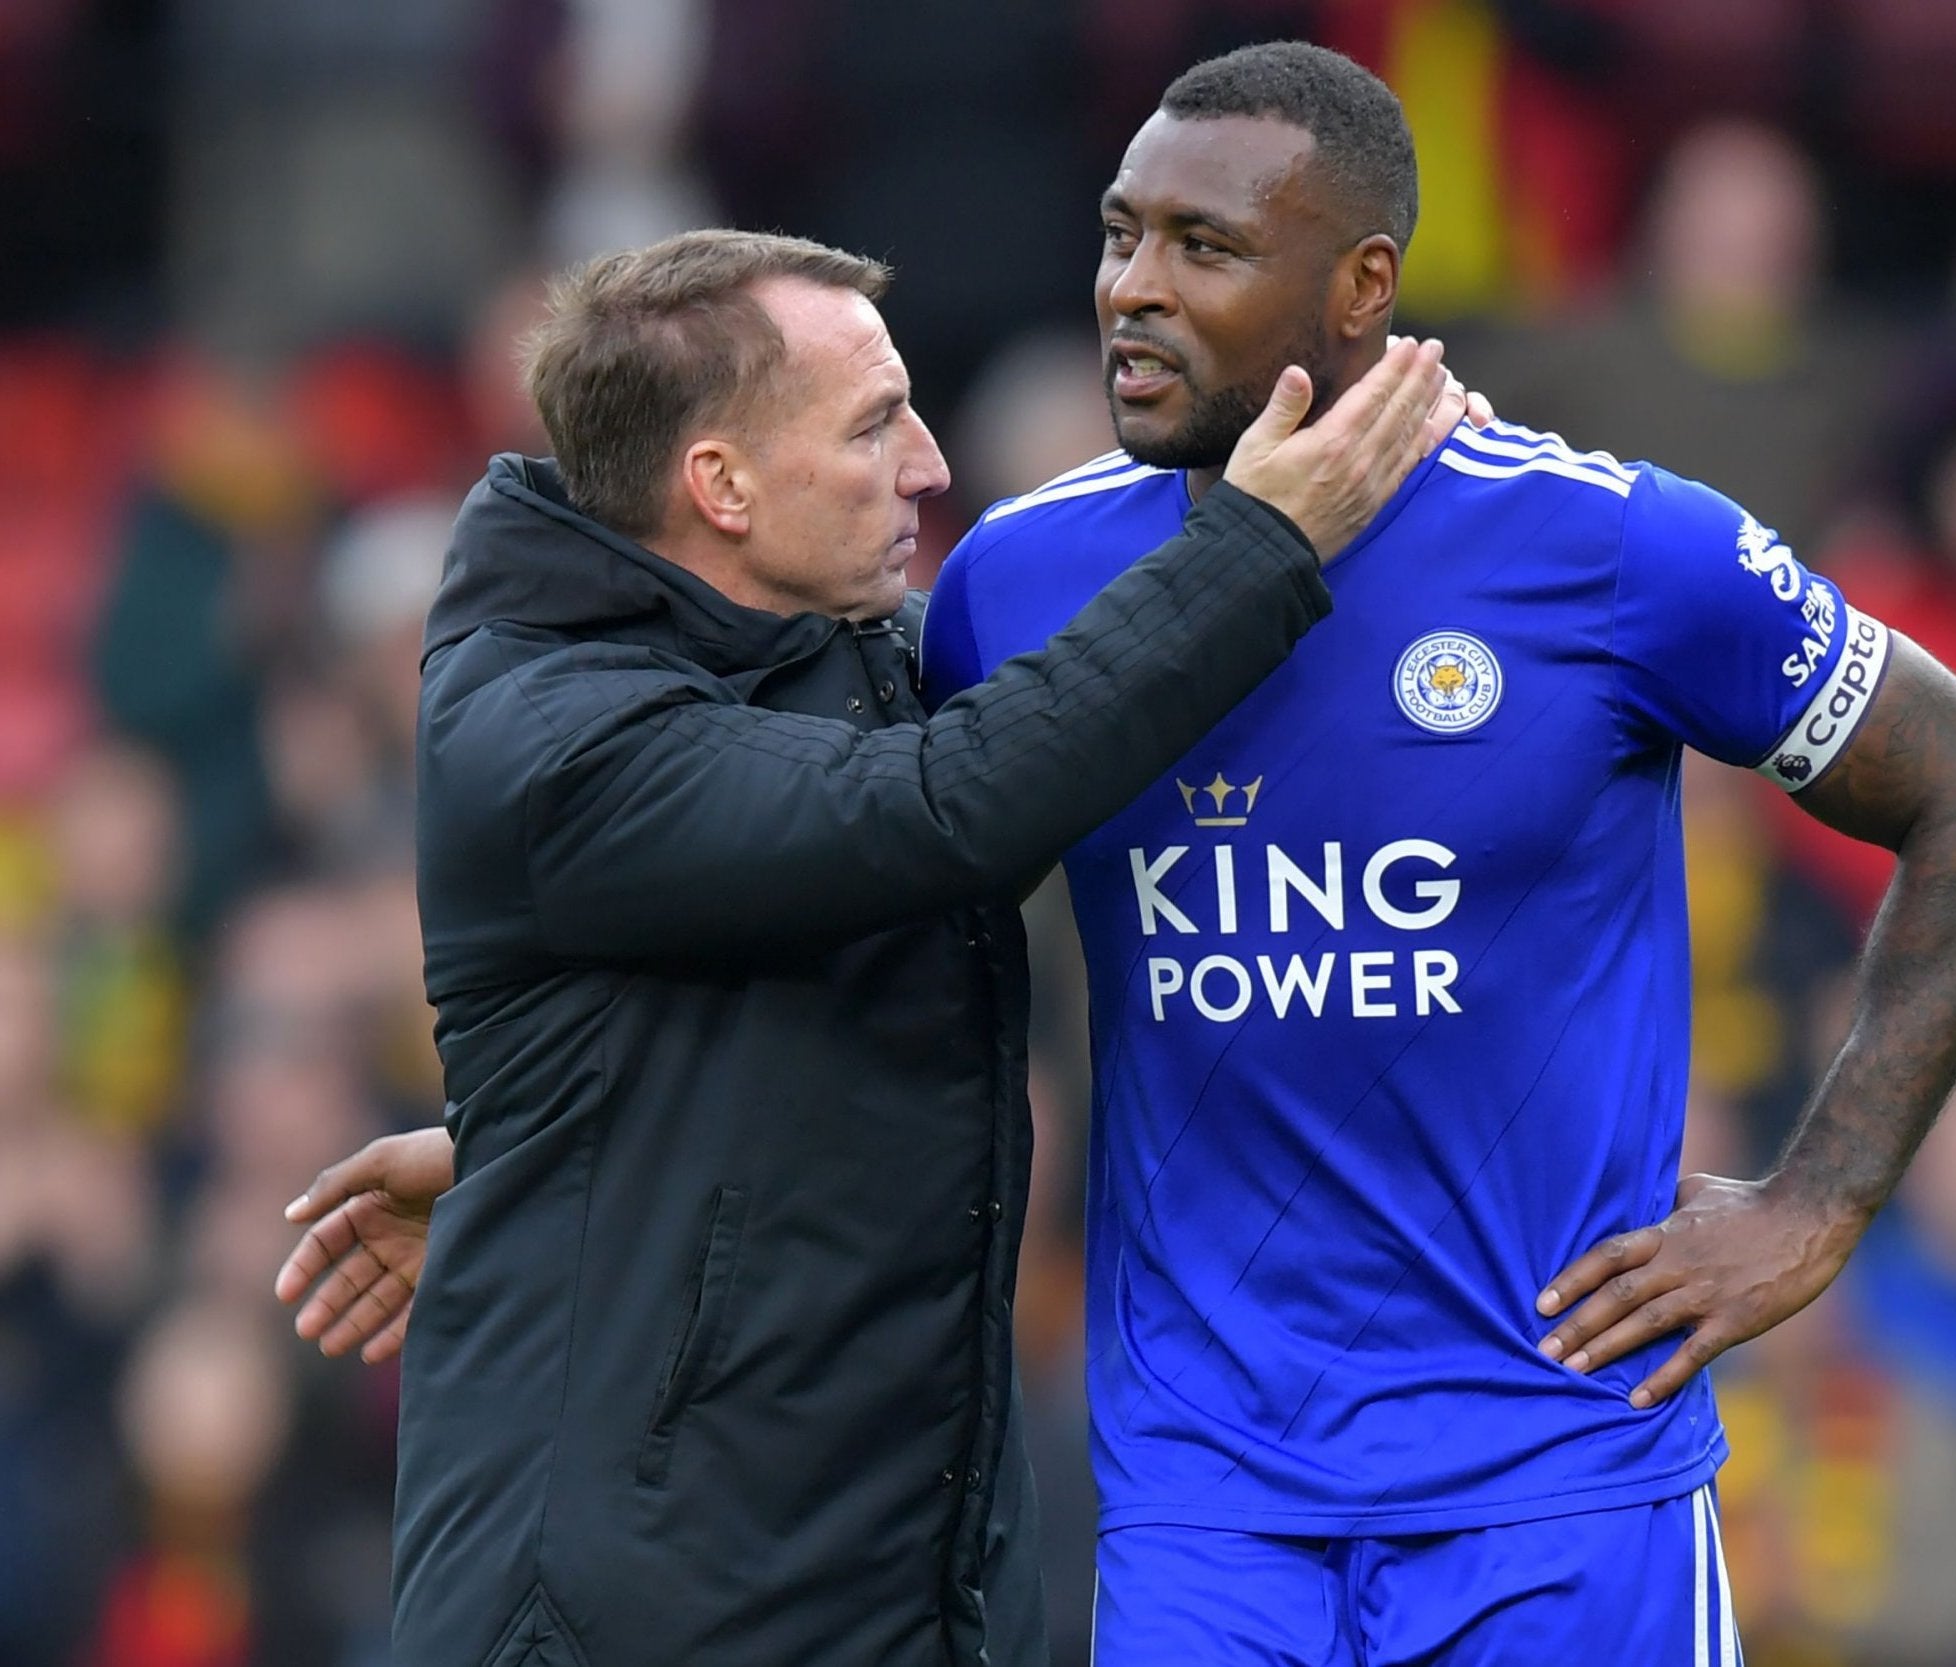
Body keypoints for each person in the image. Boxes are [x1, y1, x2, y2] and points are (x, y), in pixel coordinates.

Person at [286, 46, 1956, 1666]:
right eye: (1120, 232)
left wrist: (1820, 1205)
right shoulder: (1016, 585)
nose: (1131, 286)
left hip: (1554, 1474)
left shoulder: (1607, 549)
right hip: (1207, 1507)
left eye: (1201, 248)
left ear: (1362, 285)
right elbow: (856, 888)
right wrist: (561, 1143)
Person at [275, 222, 1481, 1667]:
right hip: (624, 1625)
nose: (928, 465)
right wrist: (1266, 540)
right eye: (872, 427)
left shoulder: (839, 648)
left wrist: (564, 1159)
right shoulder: (550, 738)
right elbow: (946, 809)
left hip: (884, 1598)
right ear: (716, 485)